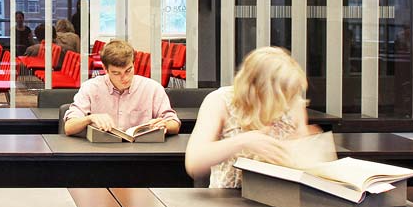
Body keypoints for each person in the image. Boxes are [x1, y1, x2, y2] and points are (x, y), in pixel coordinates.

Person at [184, 46, 316, 189]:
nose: (286, 102)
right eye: (280, 94)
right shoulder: (220, 101)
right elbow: (194, 162)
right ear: (255, 88)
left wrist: (306, 148)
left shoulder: (294, 104)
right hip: (228, 201)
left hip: (281, 196)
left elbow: (301, 155)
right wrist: (243, 142)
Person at [63, 39, 180, 137]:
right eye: (116, 73)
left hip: (142, 153)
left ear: (134, 63)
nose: (124, 78)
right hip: (102, 152)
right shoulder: (91, 87)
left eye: (128, 70)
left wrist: (165, 124)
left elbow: (174, 124)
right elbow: (69, 127)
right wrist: (90, 119)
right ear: (105, 69)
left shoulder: (152, 88)